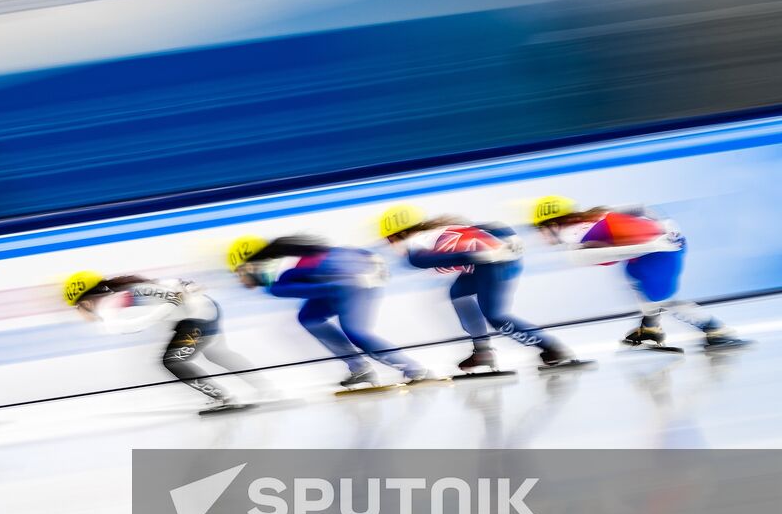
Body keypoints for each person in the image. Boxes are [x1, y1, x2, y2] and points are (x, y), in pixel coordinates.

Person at [377, 204, 588, 372]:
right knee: (457, 293)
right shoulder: (433, 233)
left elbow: (435, 258)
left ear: (397, 236)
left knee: (496, 316)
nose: (390, 247)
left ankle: (553, 349)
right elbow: (489, 227)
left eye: (389, 241)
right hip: (488, 261)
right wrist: (508, 240)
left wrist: (483, 254)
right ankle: (482, 352)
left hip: (493, 263)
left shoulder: (416, 249)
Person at [529, 195, 749, 351]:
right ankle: (651, 328)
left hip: (660, 250)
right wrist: (665, 227)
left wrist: (654, 244)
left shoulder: (574, 242)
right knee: (635, 279)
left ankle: (716, 330)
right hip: (660, 244)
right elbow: (641, 207)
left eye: (540, 229)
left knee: (664, 301)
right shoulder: (592, 214)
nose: (541, 236)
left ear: (554, 224)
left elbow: (610, 252)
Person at [227, 233, 428, 388]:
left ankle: (414, 369)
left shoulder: (276, 282)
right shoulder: (285, 259)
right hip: (358, 270)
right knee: (309, 317)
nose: (238, 281)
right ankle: (360, 368)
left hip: (353, 281)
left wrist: (358, 281)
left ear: (249, 266)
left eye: (238, 273)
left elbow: (328, 288)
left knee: (356, 332)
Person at [62, 271, 273, 414]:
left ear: (86, 303)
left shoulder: (110, 303)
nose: (79, 315)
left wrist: (169, 306)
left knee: (172, 361)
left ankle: (224, 399)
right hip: (203, 310)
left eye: (77, 309)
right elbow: (172, 288)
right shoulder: (121, 291)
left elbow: (135, 323)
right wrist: (181, 295)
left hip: (197, 317)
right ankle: (265, 388)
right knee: (216, 353)